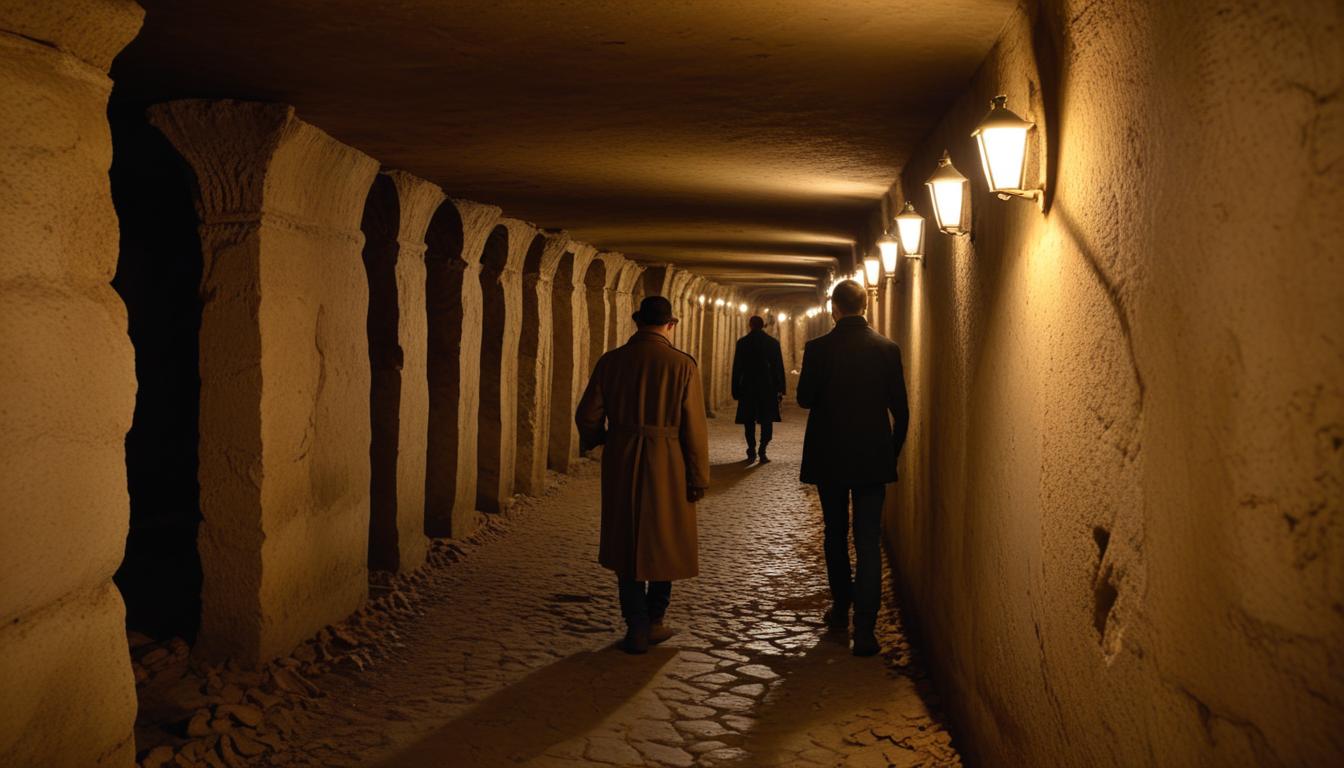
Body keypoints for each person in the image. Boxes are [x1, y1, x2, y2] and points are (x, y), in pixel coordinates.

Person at [576, 295, 711, 654]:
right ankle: (655, 620)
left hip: (623, 455)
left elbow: (588, 415)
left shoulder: (612, 362)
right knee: (665, 535)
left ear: (637, 322)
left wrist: (602, 439)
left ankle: (634, 623)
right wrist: (697, 477)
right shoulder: (682, 365)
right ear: (671, 325)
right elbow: (693, 428)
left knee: (626, 536)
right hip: (668, 458)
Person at [796, 280, 909, 657]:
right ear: (865, 306)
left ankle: (841, 608)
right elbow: (902, 412)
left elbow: (805, 398)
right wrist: (888, 453)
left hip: (829, 456)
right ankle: (866, 630)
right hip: (872, 458)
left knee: (835, 533)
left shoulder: (818, 349)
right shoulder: (887, 349)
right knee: (868, 539)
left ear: (834, 308)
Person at [731, 315, 786, 463]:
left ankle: (751, 450)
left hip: (748, 387)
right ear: (763, 326)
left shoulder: (742, 343)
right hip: (767, 388)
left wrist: (735, 389)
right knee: (767, 420)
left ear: (750, 325)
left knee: (749, 421)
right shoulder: (773, 343)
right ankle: (762, 449)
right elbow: (778, 368)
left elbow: (737, 368)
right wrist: (780, 388)